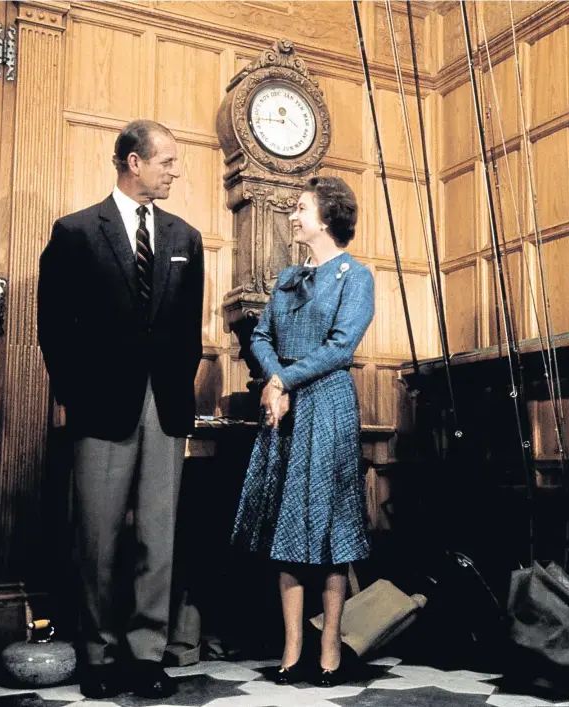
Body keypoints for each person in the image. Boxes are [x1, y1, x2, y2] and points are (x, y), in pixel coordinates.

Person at [37, 119, 204, 699]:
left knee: (158, 539)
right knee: (98, 540)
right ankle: (99, 655)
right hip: (100, 410)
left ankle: (145, 654)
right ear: (134, 162)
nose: (174, 170)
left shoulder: (185, 238)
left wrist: (178, 397)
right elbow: (54, 330)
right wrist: (77, 398)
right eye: (167, 161)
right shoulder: (77, 233)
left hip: (165, 410)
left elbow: (188, 333)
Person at [230, 175, 374, 687]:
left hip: (327, 402)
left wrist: (283, 380)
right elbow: (262, 335)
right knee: (284, 529)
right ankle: (292, 649)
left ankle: (330, 647)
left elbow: (339, 347)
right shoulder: (289, 276)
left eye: (302, 208)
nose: (294, 215)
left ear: (329, 217)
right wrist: (275, 383)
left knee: (330, 528)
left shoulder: (356, 278)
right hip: (283, 407)